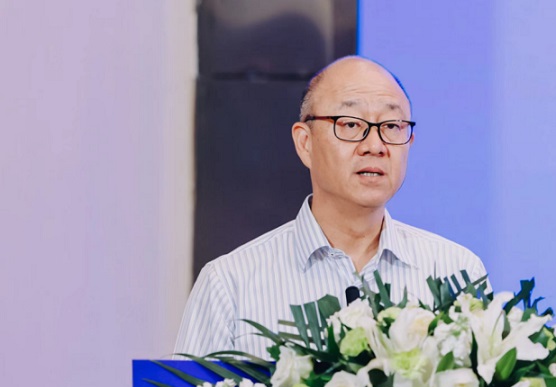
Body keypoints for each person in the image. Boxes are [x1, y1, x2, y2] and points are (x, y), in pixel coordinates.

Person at [174, 56, 489, 358]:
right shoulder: (230, 284)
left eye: (392, 126)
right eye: (350, 124)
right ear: (305, 143)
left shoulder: (457, 272)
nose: (375, 146)